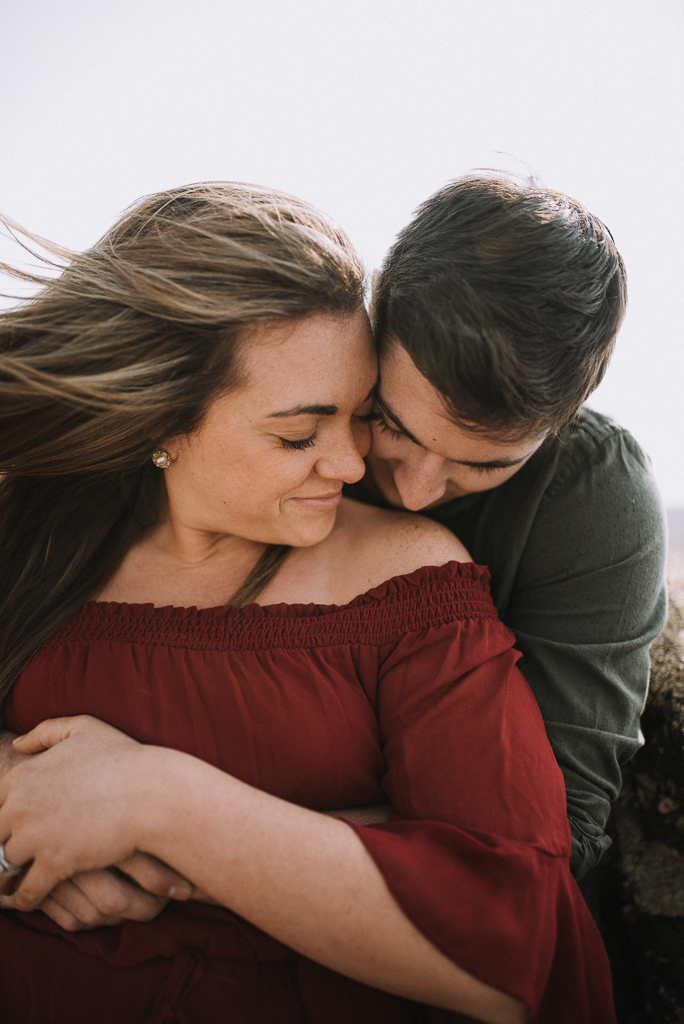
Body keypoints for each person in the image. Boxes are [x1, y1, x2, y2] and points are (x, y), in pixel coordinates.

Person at [0, 182, 615, 1023]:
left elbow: (520, 927)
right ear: (162, 422)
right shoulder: (34, 532)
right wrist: (16, 826)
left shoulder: (420, 576)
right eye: (303, 434)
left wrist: (158, 805)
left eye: (355, 419)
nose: (362, 469)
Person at [347, 173, 667, 880]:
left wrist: (201, 831)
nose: (415, 489)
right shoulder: (287, 400)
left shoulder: (592, 495)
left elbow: (564, 828)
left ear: (560, 422)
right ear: (376, 317)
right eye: (390, 424)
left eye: (483, 466)